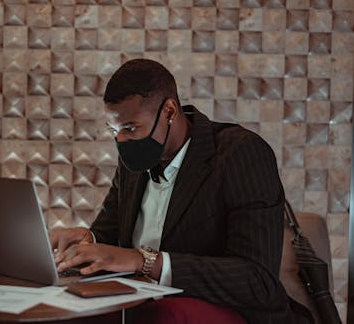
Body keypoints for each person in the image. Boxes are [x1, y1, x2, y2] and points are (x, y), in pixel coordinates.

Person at [50, 59, 312, 324]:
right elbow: (110, 234)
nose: (121, 140)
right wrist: (87, 240)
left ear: (169, 111)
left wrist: (145, 261)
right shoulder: (135, 159)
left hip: (232, 311)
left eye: (129, 128)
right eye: (114, 130)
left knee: (162, 317)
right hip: (140, 301)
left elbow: (257, 280)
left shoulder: (241, 154)